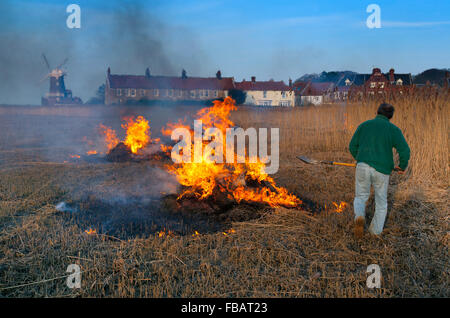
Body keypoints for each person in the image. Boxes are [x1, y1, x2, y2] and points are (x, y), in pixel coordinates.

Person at [349, 103, 410, 238]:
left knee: (360, 196)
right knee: (381, 202)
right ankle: (374, 232)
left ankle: (359, 217)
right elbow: (404, 150)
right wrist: (402, 166)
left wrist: (359, 158)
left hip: (362, 166)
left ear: (377, 112)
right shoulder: (393, 129)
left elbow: (352, 146)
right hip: (382, 170)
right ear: (390, 116)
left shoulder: (364, 125)